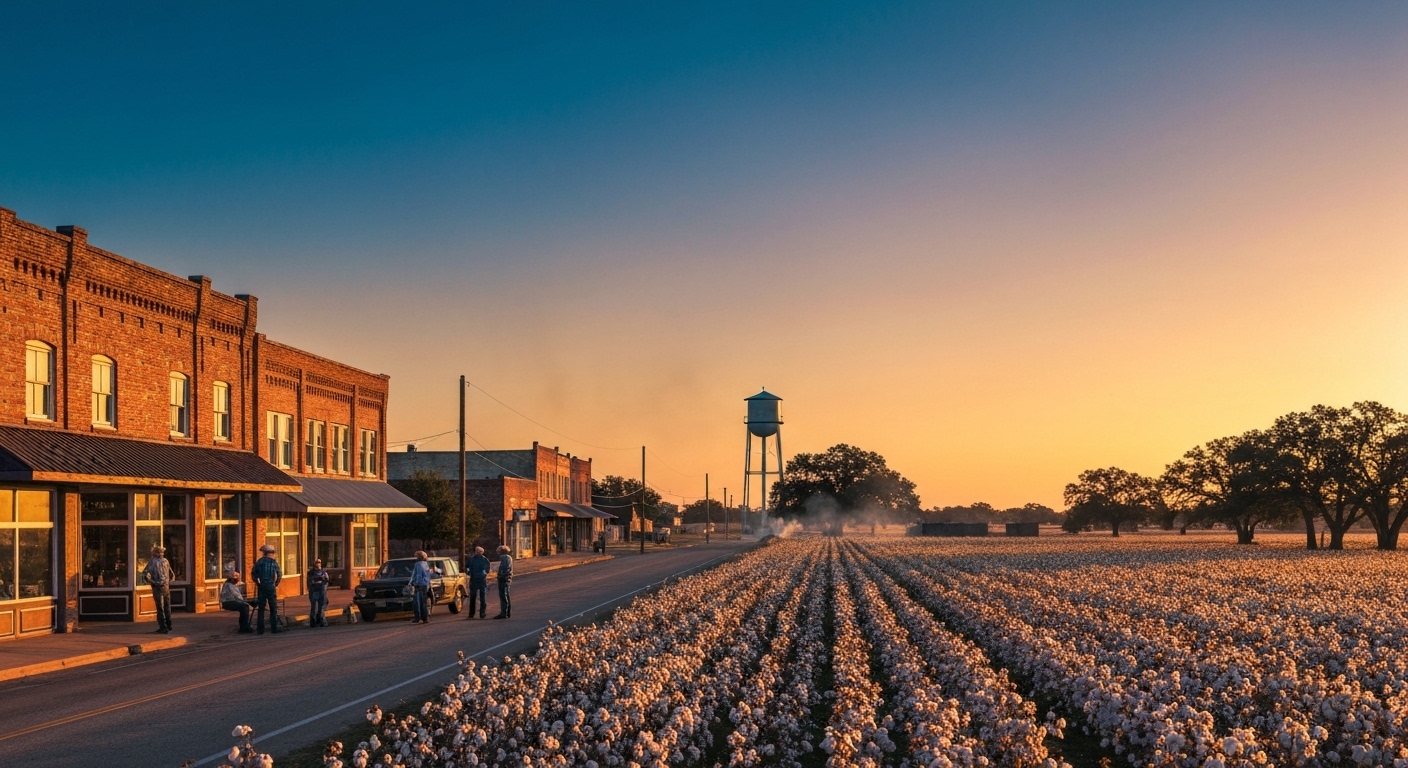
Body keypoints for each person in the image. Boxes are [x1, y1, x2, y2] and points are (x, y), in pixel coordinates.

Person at [142, 545, 175, 634]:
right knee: (167, 606)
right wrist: (167, 581)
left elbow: (145, 572)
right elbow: (172, 574)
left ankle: (163, 626)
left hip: (157, 587)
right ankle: (169, 624)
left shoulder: (153, 562)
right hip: (166, 587)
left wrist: (149, 580)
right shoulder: (166, 561)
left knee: (160, 607)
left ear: (155, 553)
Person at [251, 543, 283, 634]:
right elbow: (279, 574)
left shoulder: (259, 562)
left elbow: (253, 574)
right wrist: (275, 584)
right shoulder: (274, 562)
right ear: (271, 553)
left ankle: (260, 630)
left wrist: (258, 583)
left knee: (261, 608)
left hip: (262, 587)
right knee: (273, 608)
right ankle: (274, 628)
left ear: (264, 553)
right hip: (271, 587)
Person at [409, 550, 435, 624]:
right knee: (423, 602)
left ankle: (419, 617)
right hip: (425, 584)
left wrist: (415, 583)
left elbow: (418, 575)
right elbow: (428, 574)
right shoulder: (425, 564)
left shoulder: (418, 564)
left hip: (420, 585)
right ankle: (425, 617)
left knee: (418, 602)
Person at [466, 546, 491, 620]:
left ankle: (481, 613)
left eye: (479, 551)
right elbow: (467, 567)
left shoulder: (483, 559)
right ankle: (473, 613)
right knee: (474, 597)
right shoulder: (472, 559)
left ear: (481, 552)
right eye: (476, 551)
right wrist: (469, 573)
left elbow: (487, 569)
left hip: (480, 580)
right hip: (475, 579)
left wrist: (484, 573)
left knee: (482, 597)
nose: (477, 552)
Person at [307, 558, 330, 628]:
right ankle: (314, 622)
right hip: (314, 591)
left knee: (322, 605)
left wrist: (323, 585)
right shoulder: (311, 573)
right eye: (317, 563)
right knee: (314, 607)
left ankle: (320, 620)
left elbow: (327, 581)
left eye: (319, 563)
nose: (318, 564)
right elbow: (310, 582)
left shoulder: (323, 572)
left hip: (321, 592)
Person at [493, 545, 513, 619]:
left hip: (504, 578)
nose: (497, 553)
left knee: (503, 595)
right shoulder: (507, 557)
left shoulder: (505, 558)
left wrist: (500, 574)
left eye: (498, 551)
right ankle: (507, 612)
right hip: (506, 578)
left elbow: (505, 568)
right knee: (506, 595)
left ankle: (504, 612)